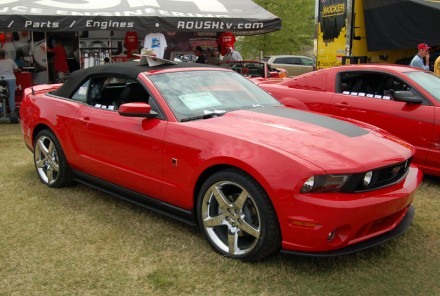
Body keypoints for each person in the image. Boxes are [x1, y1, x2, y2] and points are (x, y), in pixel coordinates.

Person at [0, 48, 21, 116]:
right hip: (11, 79)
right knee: (11, 96)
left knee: (1, 96)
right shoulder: (10, 60)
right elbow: (17, 69)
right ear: (5, 55)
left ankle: (2, 112)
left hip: (1, 80)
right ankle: (12, 111)